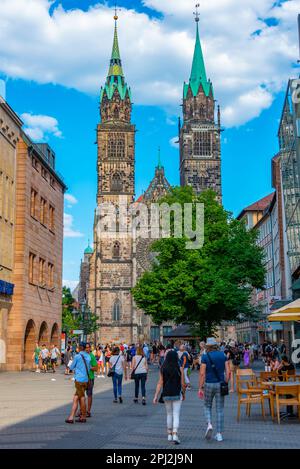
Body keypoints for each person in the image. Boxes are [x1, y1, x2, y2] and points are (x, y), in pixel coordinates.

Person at [199, 337, 230, 443]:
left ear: (207, 346)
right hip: (220, 384)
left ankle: (209, 424)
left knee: (207, 406)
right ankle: (219, 434)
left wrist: (200, 387)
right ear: (216, 345)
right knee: (220, 409)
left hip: (208, 384)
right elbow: (228, 371)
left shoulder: (205, 356)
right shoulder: (223, 355)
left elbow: (202, 373)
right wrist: (225, 381)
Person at [153, 350, 186, 445]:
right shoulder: (179, 368)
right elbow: (183, 384)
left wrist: (156, 395)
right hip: (177, 393)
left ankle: (169, 434)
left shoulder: (163, 368)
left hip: (166, 393)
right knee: (176, 414)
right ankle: (175, 434)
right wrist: (183, 394)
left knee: (169, 414)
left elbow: (160, 382)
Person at [65, 342, 91, 424]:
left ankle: (83, 416)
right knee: (75, 398)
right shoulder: (88, 356)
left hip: (79, 380)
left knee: (82, 398)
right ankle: (71, 417)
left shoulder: (77, 356)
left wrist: (72, 364)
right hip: (86, 379)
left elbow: (71, 367)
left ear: (80, 347)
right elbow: (89, 367)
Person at [76, 342, 98, 418]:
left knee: (89, 395)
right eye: (86, 347)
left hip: (90, 378)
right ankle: (81, 410)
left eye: (89, 347)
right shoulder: (80, 356)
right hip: (81, 378)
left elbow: (96, 368)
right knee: (80, 395)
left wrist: (89, 367)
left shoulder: (91, 356)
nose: (88, 349)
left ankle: (88, 411)